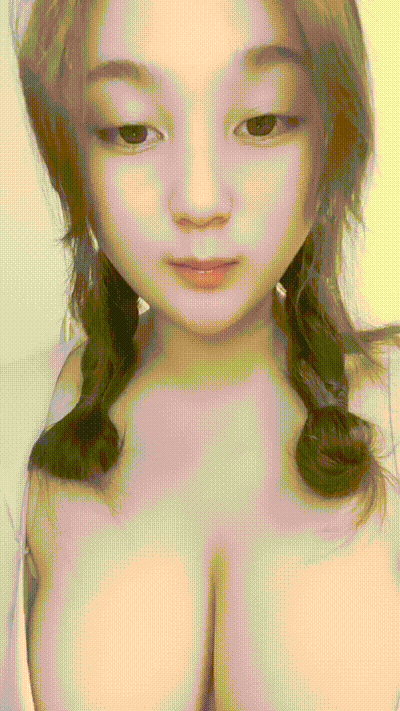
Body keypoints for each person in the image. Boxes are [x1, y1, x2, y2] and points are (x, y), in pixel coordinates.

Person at [4, 0, 399, 709]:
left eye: (262, 122)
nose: (199, 198)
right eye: (131, 130)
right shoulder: (12, 430)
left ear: (336, 132)